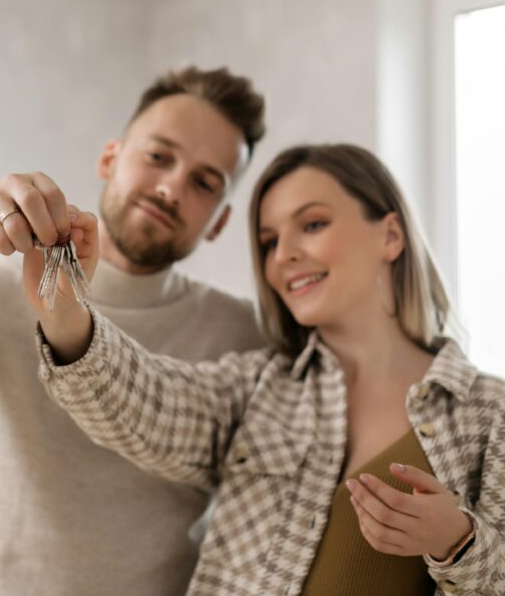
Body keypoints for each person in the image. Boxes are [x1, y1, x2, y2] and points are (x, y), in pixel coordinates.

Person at [0, 67, 267, 595]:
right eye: (158, 156)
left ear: (220, 221)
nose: (170, 186)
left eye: (204, 182)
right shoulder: (0, 292)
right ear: (110, 158)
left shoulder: (242, 334)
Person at [30, 143, 505, 595]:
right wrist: (66, 314)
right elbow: (146, 402)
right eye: (269, 241)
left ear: (391, 235)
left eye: (313, 224)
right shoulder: (258, 388)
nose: (283, 256)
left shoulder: (489, 413)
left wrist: (458, 541)